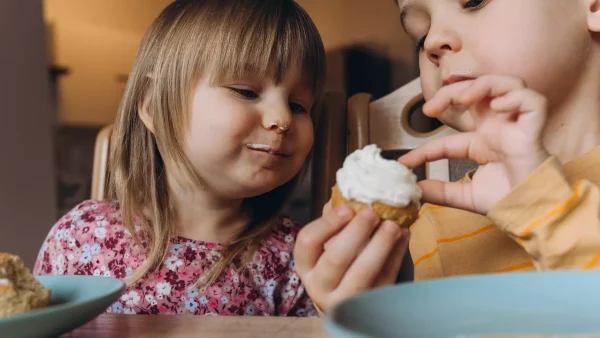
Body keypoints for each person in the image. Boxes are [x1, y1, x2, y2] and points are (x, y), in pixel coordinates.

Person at [390, 0, 600, 279]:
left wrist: (542, 206)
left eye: (474, 2)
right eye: (421, 35)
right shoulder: (430, 231)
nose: (433, 42)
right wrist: (346, 304)